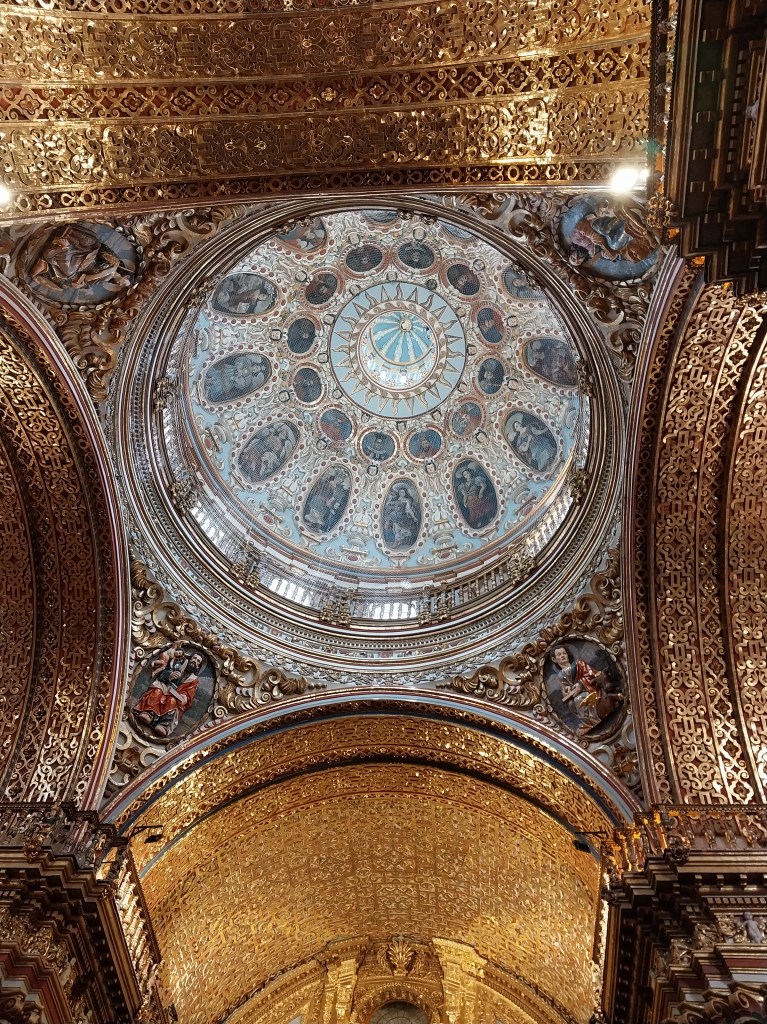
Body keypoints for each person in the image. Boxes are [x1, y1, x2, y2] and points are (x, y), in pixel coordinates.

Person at [132, 647, 205, 738]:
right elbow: (162, 674)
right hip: (165, 687)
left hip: (175, 696)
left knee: (172, 701)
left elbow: (190, 693)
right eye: (194, 658)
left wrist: (184, 697)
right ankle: (149, 713)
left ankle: (164, 725)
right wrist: (170, 675)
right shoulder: (177, 664)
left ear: (198, 666)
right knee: (157, 691)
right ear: (189, 658)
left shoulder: (193, 680)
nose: (195, 661)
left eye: (198, 661)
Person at [550, 645, 623, 736]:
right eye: (559, 654)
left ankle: (590, 723)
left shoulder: (579, 664)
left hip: (590, 687)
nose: (562, 656)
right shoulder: (560, 676)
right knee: (571, 704)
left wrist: (580, 685)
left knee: (578, 699)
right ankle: (588, 721)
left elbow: (591, 674)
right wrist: (566, 690)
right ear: (554, 659)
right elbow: (564, 690)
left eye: (564, 653)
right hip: (576, 694)